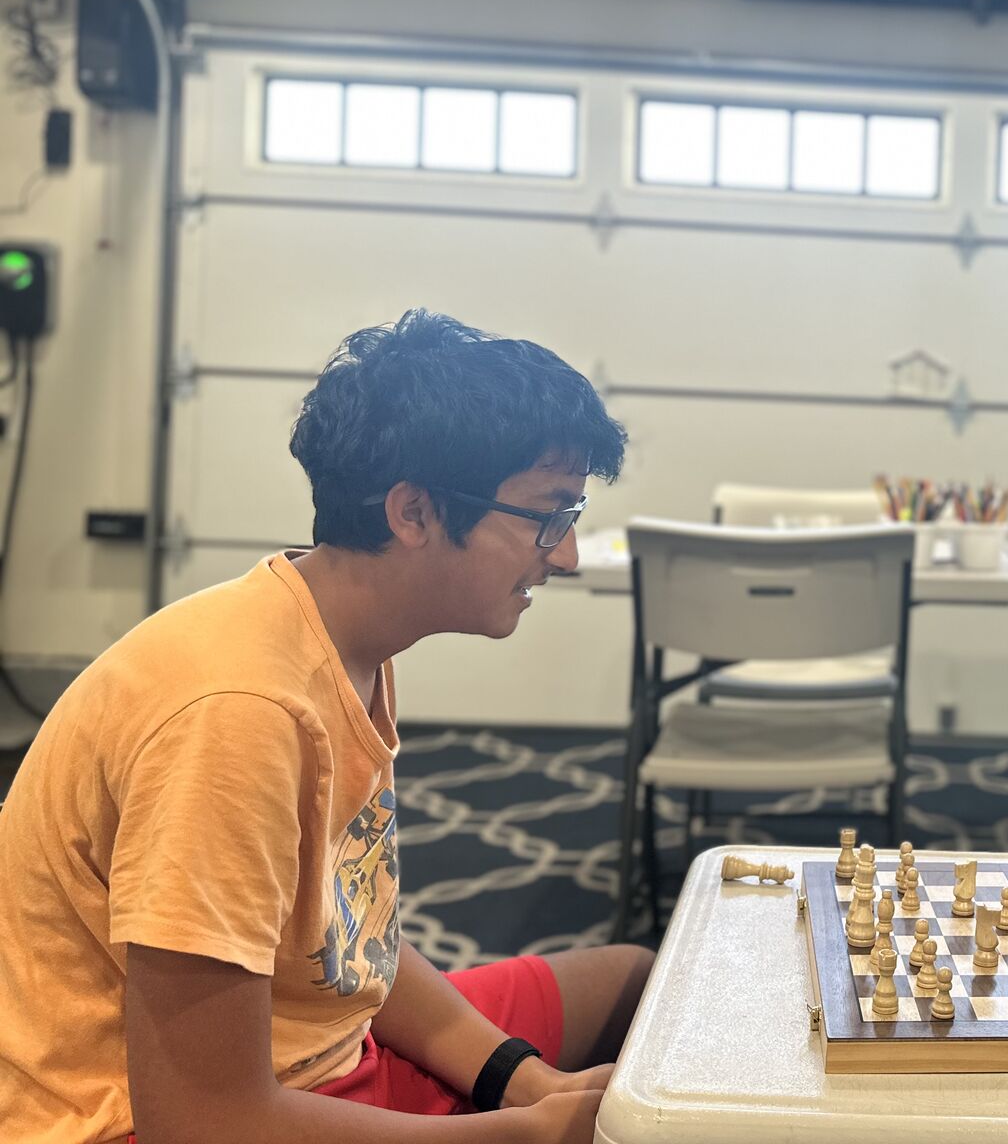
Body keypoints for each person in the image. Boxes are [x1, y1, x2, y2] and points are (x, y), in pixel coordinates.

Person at [0, 311, 647, 1144]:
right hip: (134, 1119)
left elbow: (348, 940)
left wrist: (524, 1081)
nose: (565, 556)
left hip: (316, 1055)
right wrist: (526, 1134)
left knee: (635, 986)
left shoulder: (339, 638)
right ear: (413, 512)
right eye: (546, 516)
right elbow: (201, 1120)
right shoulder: (239, 716)